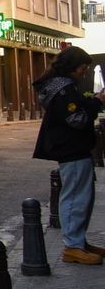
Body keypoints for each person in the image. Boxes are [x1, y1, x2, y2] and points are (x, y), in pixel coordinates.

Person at [32, 46, 105, 266]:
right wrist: (97, 102)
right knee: (75, 197)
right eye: (83, 68)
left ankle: (78, 241)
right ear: (73, 67)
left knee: (83, 197)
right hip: (71, 150)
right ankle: (73, 246)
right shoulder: (63, 91)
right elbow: (77, 120)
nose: (84, 72)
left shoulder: (63, 87)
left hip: (75, 150)